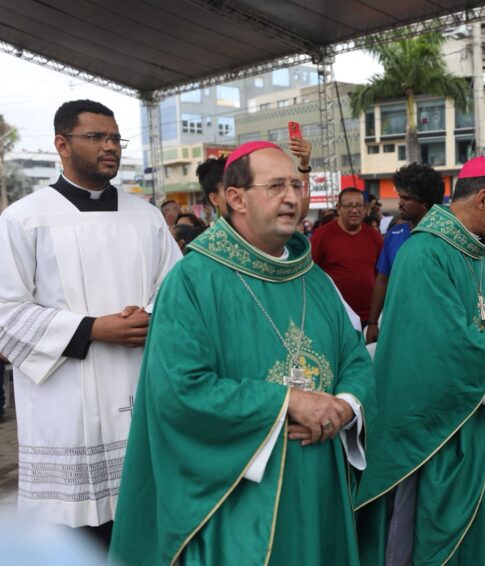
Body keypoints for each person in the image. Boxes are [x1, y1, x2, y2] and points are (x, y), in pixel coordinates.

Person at [109, 141, 375, 565]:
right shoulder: (194, 280)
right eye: (276, 186)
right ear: (235, 198)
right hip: (239, 496)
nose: (292, 197)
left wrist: (344, 406)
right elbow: (179, 389)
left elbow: (355, 357)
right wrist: (287, 402)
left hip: (319, 482)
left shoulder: (317, 281)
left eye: (296, 186)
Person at [355, 156, 485, 566]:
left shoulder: (473, 254)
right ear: (482, 198)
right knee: (438, 530)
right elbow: (442, 343)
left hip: (477, 412)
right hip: (439, 425)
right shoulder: (424, 253)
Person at [0, 100, 181, 543]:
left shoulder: (147, 217)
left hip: (141, 383)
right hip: (66, 402)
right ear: (62, 144)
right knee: (80, 537)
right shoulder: (24, 219)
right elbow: (6, 312)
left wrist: (151, 315)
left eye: (116, 138)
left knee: (142, 525)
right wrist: (92, 329)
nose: (110, 146)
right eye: (96, 137)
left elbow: (177, 288)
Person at [366, 163, 446, 343]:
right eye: (400, 196)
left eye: (406, 198)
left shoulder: (443, 238)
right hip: (397, 325)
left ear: (424, 203)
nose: (400, 203)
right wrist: (373, 322)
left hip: (435, 328)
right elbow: (383, 279)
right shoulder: (394, 234)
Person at [310, 188, 383, 325]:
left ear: (365, 208)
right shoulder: (321, 236)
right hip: (334, 316)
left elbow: (381, 277)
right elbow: (310, 275)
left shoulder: (374, 237)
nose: (354, 210)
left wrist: (374, 321)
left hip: (368, 317)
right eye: (349, 206)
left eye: (358, 205)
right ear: (338, 208)